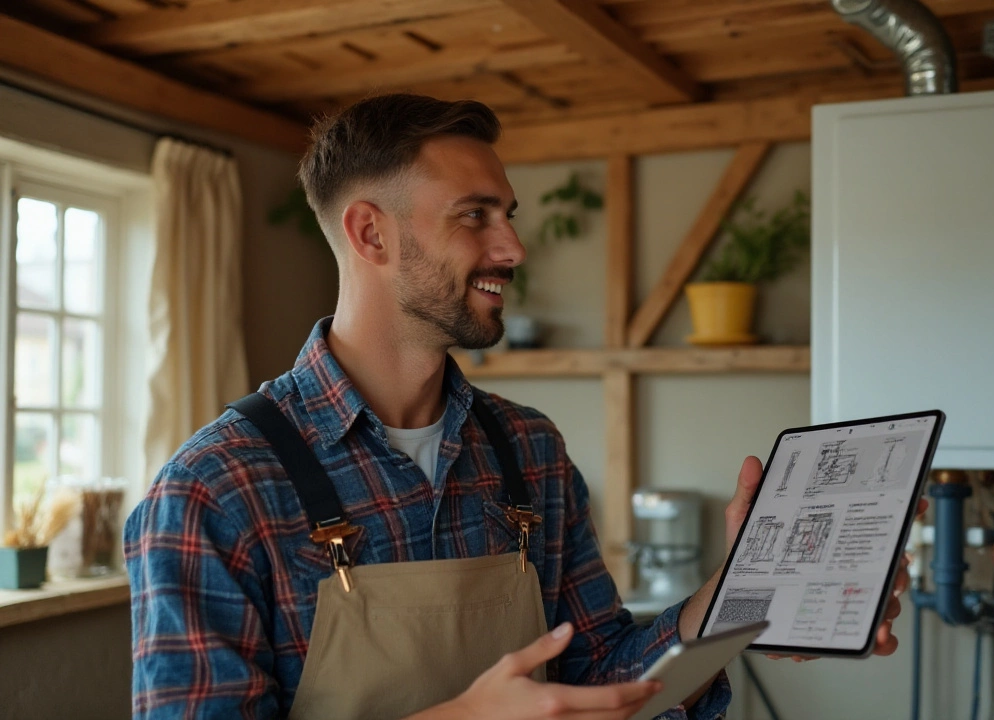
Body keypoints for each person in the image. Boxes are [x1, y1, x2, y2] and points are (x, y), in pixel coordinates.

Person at [124, 94, 917, 720]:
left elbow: (601, 670)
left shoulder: (528, 450)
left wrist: (741, 596)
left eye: (508, 214)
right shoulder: (213, 492)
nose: (513, 248)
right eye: (476, 215)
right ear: (370, 233)